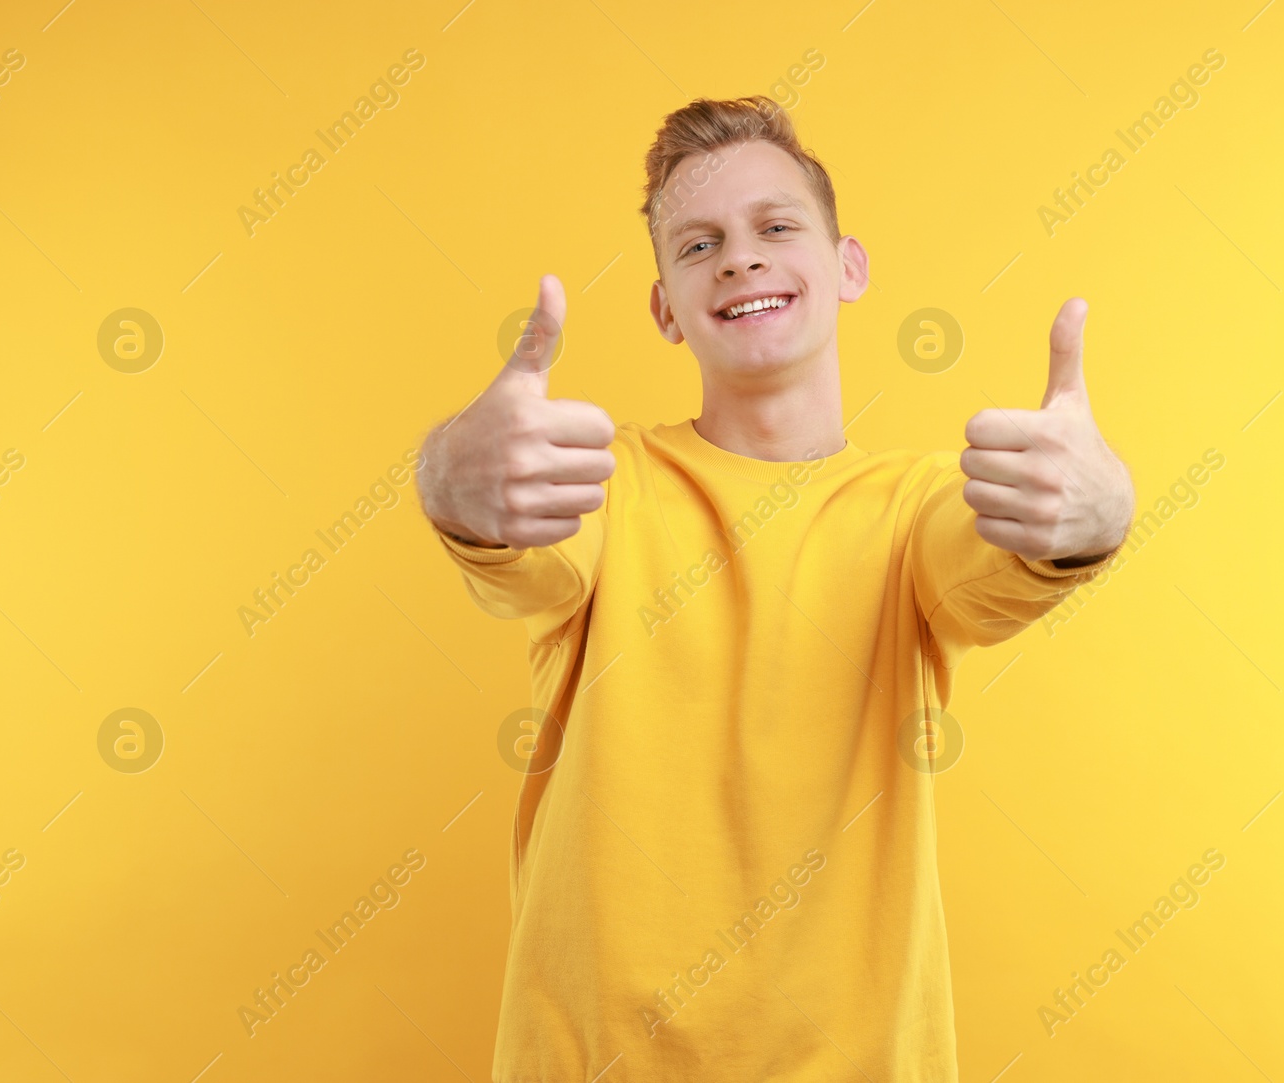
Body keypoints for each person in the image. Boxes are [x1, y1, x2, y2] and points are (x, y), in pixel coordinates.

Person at [415, 95, 1134, 1081]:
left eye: (775, 227)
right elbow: (521, 553)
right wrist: (451, 479)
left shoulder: (915, 507)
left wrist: (1088, 523)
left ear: (848, 268)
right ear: (666, 306)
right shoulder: (601, 483)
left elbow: (991, 572)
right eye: (699, 243)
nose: (740, 259)